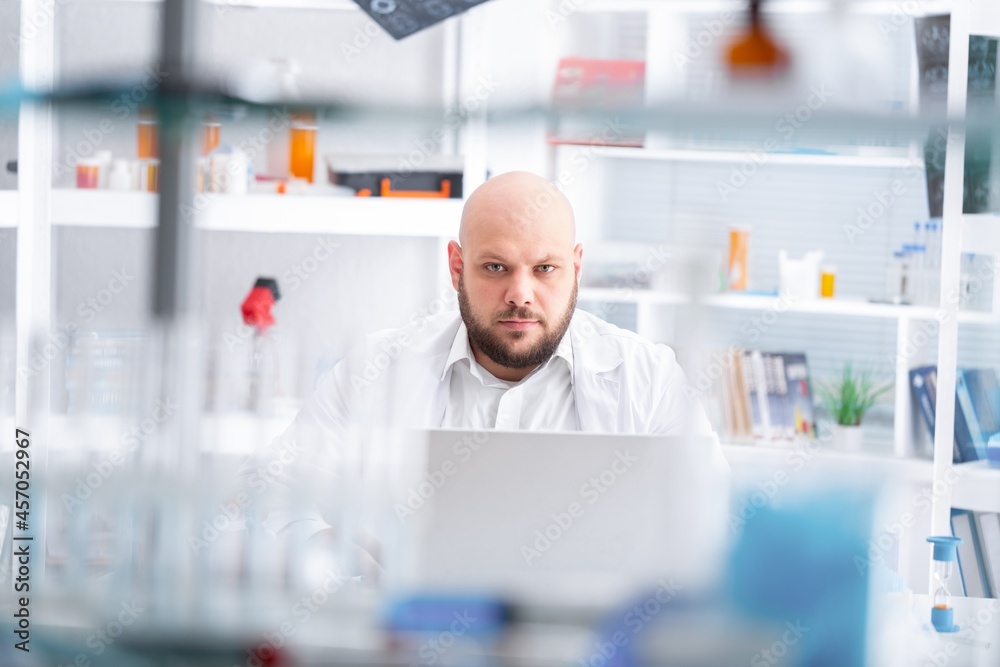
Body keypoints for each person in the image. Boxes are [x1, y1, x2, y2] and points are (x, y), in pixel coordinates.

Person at [234, 171, 725, 567]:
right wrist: (334, 553)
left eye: (544, 269)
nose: (520, 293)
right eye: (495, 268)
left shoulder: (649, 379)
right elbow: (267, 499)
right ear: (456, 267)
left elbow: (711, 523)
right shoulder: (374, 372)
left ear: (577, 267)